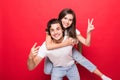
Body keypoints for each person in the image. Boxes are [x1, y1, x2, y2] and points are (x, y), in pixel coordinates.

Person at [44, 8, 112, 80]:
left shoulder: (74, 31)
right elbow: (48, 46)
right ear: (60, 18)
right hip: (53, 51)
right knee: (47, 71)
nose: (67, 21)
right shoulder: (53, 28)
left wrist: (88, 32)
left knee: (81, 59)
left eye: (70, 20)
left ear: (72, 22)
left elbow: (87, 43)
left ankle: (102, 76)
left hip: (68, 50)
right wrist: (66, 43)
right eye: (65, 18)